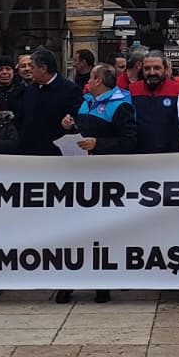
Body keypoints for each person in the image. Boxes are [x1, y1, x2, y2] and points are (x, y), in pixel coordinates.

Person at [58, 64, 137, 304]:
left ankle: (102, 284)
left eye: (92, 77)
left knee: (102, 234)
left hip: (107, 178)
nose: (88, 81)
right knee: (75, 232)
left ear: (100, 81)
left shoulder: (121, 104)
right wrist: (70, 126)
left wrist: (98, 145)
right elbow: (83, 130)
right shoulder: (86, 101)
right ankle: (70, 281)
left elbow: (130, 142)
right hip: (80, 176)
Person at [15, 48, 85, 156]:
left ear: (43, 68)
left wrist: (70, 124)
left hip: (55, 152)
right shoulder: (30, 89)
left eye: (32, 67)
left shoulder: (70, 90)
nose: (29, 70)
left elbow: (77, 120)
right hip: (28, 152)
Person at [129, 52, 179, 154]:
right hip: (139, 155)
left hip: (171, 156)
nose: (151, 72)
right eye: (147, 68)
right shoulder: (131, 90)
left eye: (157, 68)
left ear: (166, 69)